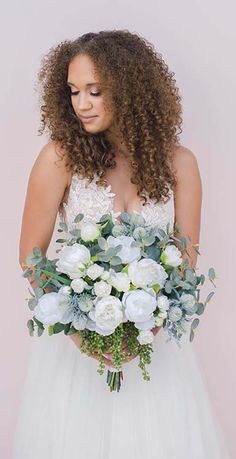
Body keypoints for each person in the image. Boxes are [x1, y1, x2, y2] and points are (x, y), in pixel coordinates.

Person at [13, 30, 230, 458]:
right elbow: (32, 257)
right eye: (73, 91)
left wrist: (144, 330)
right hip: (75, 354)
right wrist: (83, 335)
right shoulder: (59, 158)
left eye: (95, 91)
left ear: (130, 89)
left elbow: (185, 261)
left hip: (155, 353)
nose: (82, 104)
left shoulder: (180, 163)